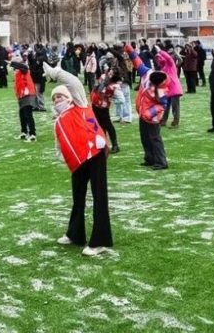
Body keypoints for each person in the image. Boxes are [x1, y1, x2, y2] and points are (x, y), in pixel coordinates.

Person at [50, 83, 113, 257]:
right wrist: (63, 157)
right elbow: (59, 143)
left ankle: (100, 241)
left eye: (60, 96)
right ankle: (75, 234)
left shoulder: (79, 104)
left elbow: (74, 84)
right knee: (78, 196)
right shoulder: (58, 119)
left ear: (68, 97)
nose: (57, 100)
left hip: (95, 154)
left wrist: (57, 73)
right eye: (54, 98)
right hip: (78, 160)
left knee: (99, 196)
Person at [127, 44, 170, 170]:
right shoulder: (147, 73)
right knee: (145, 138)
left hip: (152, 117)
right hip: (143, 113)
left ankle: (161, 162)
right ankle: (149, 158)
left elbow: (163, 105)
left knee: (155, 139)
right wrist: (130, 51)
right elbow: (138, 62)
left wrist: (150, 113)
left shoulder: (161, 89)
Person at [89, 54, 121, 153]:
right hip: (95, 103)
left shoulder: (114, 86)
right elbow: (97, 86)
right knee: (99, 125)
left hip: (103, 107)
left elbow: (121, 100)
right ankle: (103, 144)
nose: (110, 72)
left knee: (107, 125)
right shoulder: (104, 77)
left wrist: (109, 97)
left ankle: (115, 145)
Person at [10, 52, 38, 142]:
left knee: (28, 115)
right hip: (22, 95)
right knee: (22, 114)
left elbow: (24, 67)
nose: (14, 69)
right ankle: (24, 132)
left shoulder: (24, 69)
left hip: (27, 94)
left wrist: (12, 63)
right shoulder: (18, 72)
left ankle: (32, 134)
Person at [156, 47, 183, 128]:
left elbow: (168, 58)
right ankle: (163, 121)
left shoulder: (171, 65)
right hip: (167, 90)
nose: (158, 61)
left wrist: (160, 51)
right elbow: (161, 60)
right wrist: (158, 55)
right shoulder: (163, 68)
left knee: (175, 107)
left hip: (174, 89)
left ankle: (175, 123)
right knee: (166, 106)